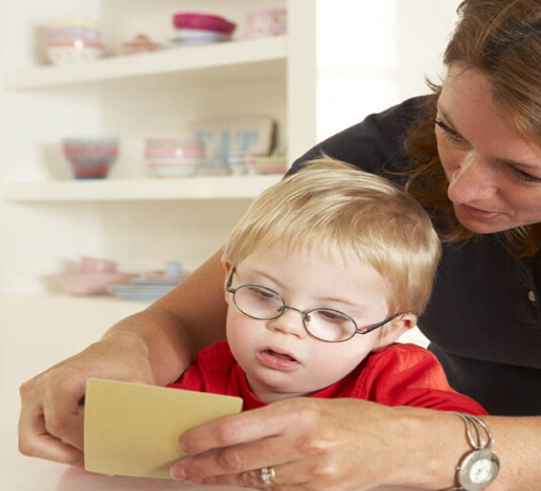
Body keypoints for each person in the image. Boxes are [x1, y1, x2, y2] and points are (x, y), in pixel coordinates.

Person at [18, 1, 541, 490]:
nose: (463, 188)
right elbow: (187, 314)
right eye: (451, 131)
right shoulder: (377, 154)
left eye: (523, 171)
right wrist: (116, 354)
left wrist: (422, 447)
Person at [164, 158, 486, 417]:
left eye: (331, 315)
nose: (287, 326)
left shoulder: (397, 379)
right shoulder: (206, 376)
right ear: (228, 278)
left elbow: (468, 442)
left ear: (388, 330)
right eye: (264, 295)